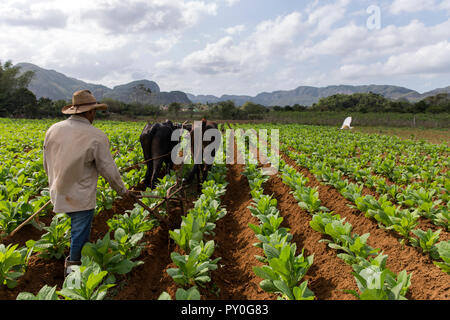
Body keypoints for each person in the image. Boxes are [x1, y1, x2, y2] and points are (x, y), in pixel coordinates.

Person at [43, 89, 135, 276]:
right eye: (95, 112)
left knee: (74, 229)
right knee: (79, 236)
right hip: (80, 197)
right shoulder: (96, 136)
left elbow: (47, 162)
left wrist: (54, 183)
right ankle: (74, 276)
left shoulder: (53, 129)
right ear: (90, 112)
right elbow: (108, 169)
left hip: (57, 192)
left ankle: (74, 270)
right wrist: (123, 191)